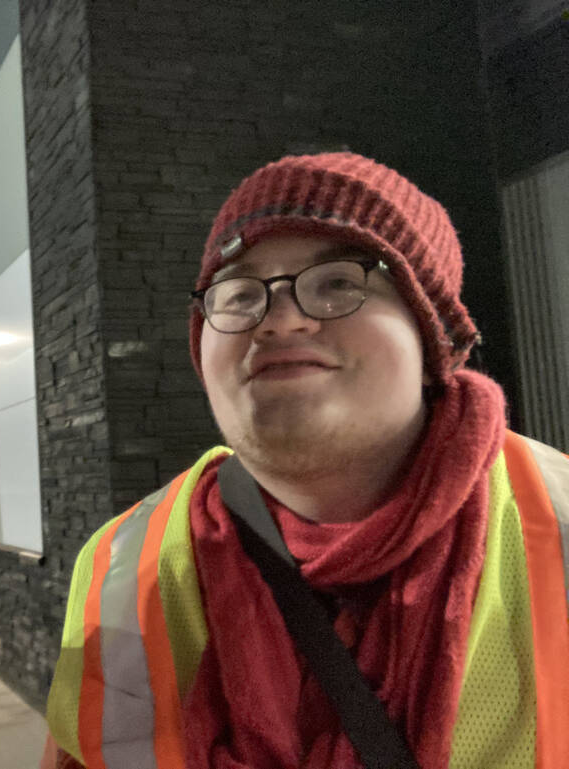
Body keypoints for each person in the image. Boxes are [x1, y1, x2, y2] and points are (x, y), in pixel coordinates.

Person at [43, 152, 569, 769]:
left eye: (338, 283)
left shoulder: (555, 526)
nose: (278, 319)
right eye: (238, 293)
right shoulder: (120, 562)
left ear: (433, 341)